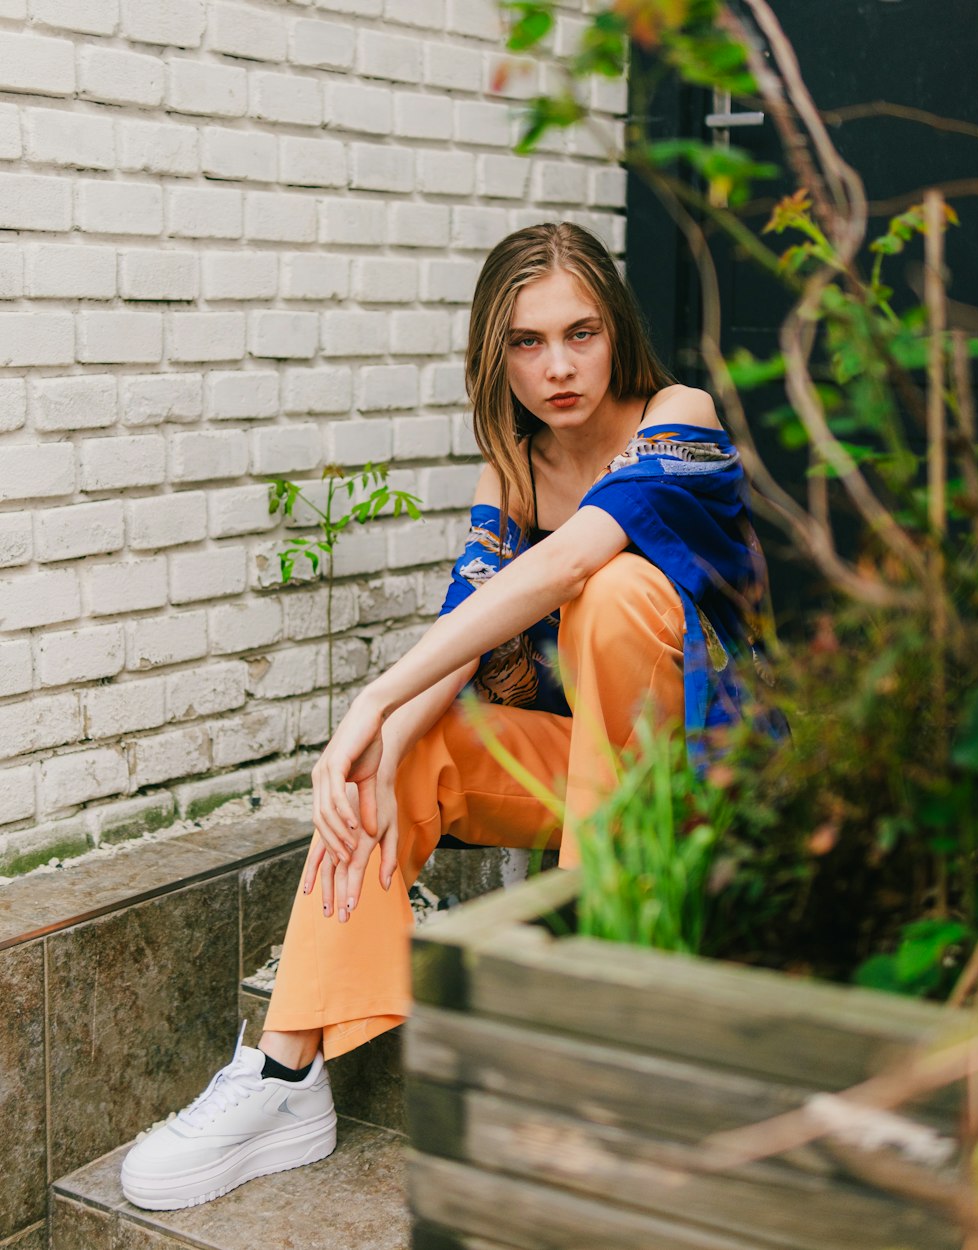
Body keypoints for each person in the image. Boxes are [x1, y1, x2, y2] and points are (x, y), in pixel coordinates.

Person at [121, 222, 771, 1210]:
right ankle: (286, 1074)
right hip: (582, 779)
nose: (557, 366)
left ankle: (577, 980)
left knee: (615, 589)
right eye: (525, 342)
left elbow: (566, 563)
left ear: (617, 330)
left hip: (703, 781)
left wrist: (367, 695)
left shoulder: (677, 418)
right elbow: (465, 634)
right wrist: (372, 738)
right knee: (402, 742)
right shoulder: (511, 468)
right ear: (492, 354)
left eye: (581, 333)